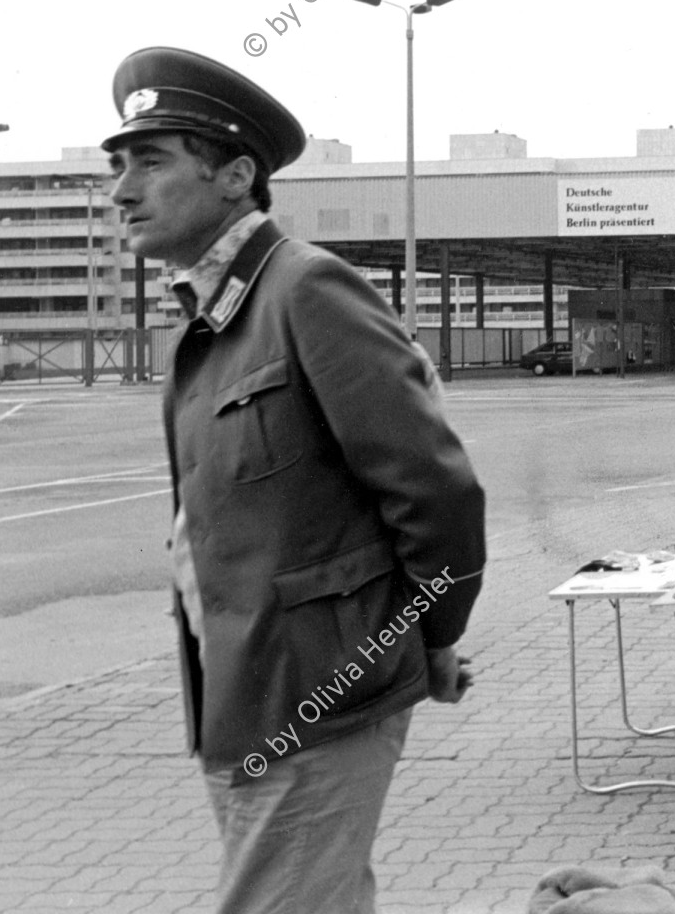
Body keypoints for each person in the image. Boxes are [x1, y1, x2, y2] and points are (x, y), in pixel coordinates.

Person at [104, 47, 487, 914]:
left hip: (318, 695)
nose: (122, 189)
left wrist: (426, 642)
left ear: (236, 174)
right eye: (119, 165)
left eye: (151, 162)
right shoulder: (211, 319)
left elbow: (438, 494)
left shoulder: (305, 290)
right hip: (240, 696)